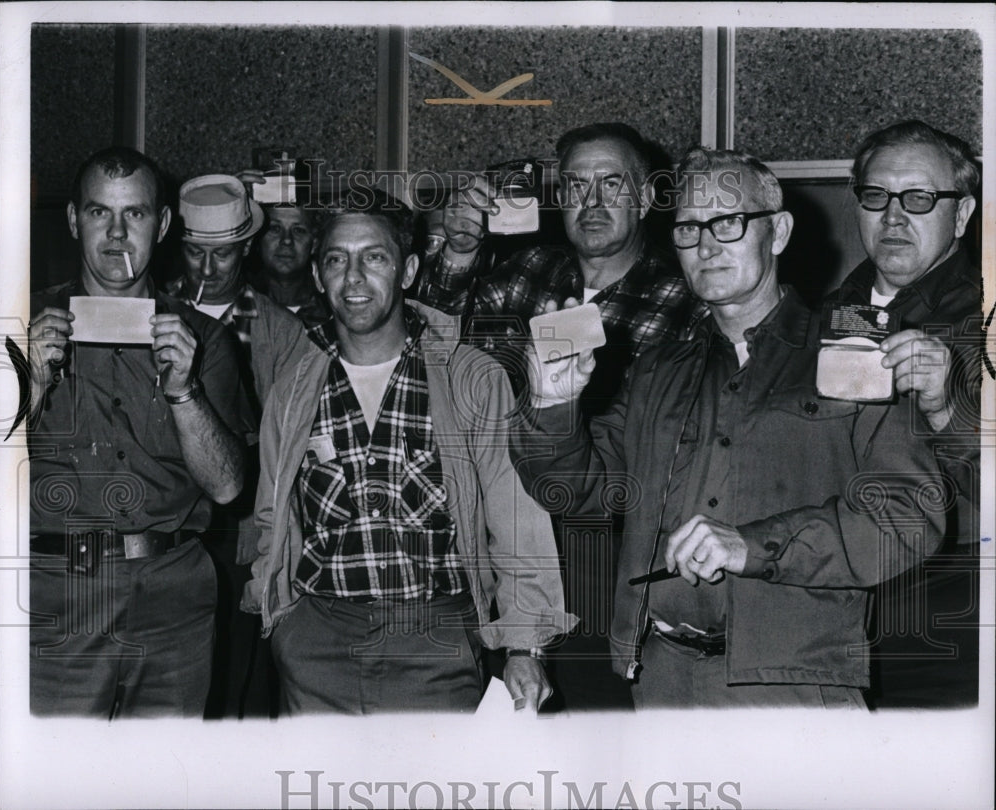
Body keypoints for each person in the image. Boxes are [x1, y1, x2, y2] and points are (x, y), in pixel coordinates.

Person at [509, 148, 946, 707]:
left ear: (779, 232)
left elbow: (909, 516)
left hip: (793, 687)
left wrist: (753, 545)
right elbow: (579, 494)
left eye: (729, 223)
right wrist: (553, 404)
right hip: (661, 680)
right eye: (689, 229)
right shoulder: (657, 370)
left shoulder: (854, 352)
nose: (707, 245)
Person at [241, 189, 574, 714]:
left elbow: (518, 523)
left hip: (435, 647)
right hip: (316, 648)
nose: (353, 278)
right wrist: (284, 620)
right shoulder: (293, 385)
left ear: (409, 270)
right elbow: (270, 515)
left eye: (373, 257)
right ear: (318, 275)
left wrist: (524, 645)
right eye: (335, 260)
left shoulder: (472, 377)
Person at [416, 122, 706, 710]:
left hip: (614, 551)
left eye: (611, 184)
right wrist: (458, 252)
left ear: (646, 198)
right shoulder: (523, 275)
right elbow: (427, 354)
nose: (591, 202)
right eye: (575, 185)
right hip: (514, 542)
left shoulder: (687, 298)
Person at [25, 146, 247, 717]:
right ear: (74, 220)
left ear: (164, 223)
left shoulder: (203, 340)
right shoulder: (17, 327)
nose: (118, 234)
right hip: (56, 593)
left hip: (172, 596)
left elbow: (225, 487)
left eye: (136, 214)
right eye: (100, 213)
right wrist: (26, 387)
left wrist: (184, 389)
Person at [828, 120, 982, 707]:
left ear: (962, 215)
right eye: (876, 196)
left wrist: (949, 410)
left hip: (944, 617)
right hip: (828, 613)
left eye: (919, 198)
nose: (894, 217)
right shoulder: (816, 318)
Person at [171, 173, 311, 717]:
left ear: (246, 247)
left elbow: (288, 449)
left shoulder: (280, 333)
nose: (207, 271)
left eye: (224, 256)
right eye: (195, 254)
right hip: (172, 536)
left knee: (233, 685)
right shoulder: (152, 315)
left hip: (241, 539)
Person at [239, 166, 333, 328]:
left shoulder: (333, 307)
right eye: (275, 229)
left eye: (298, 230)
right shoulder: (238, 301)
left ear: (314, 243)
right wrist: (229, 198)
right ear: (258, 239)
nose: (287, 240)